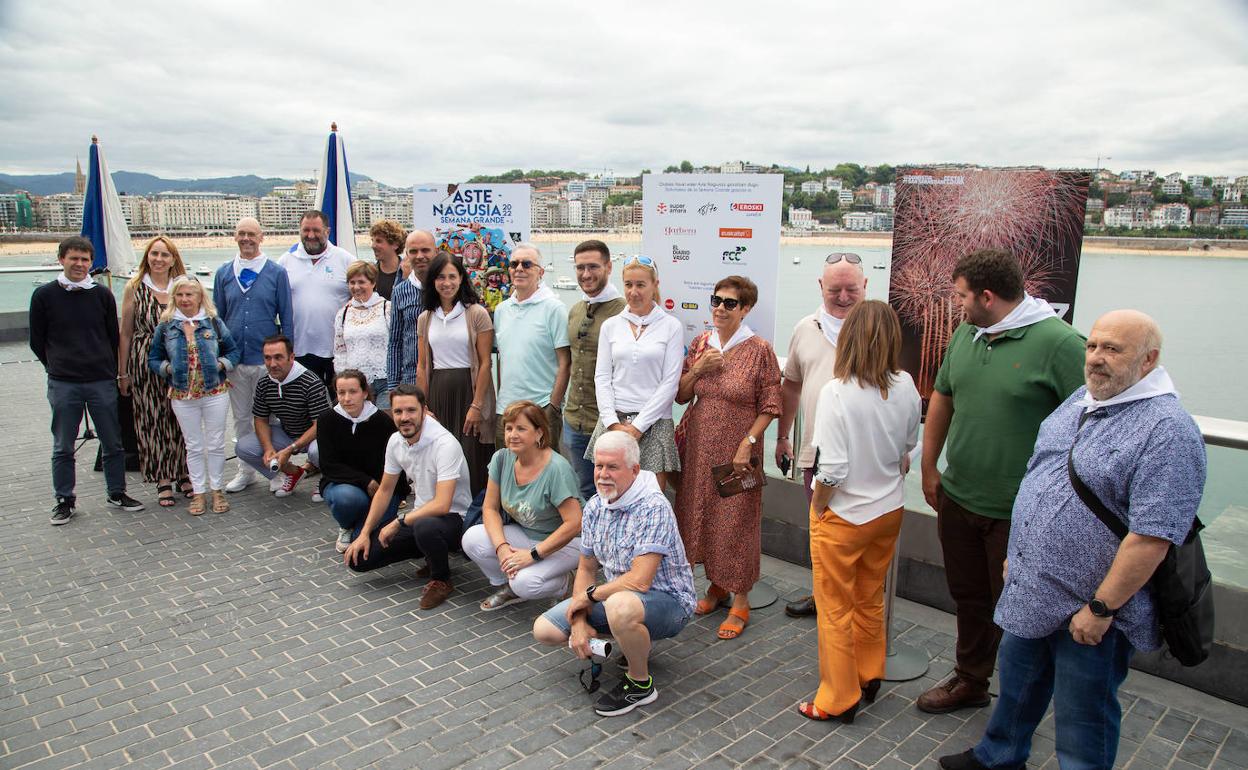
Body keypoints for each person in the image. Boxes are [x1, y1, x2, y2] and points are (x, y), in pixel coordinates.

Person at [938, 310, 1204, 770]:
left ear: (1148, 359)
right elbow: (1039, 471)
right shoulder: (1083, 399)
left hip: (1092, 609)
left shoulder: (1168, 431)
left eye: (1112, 349)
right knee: (1018, 686)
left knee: (1084, 716)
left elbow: (1151, 538)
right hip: (1034, 590)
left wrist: (1101, 608)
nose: (1096, 358)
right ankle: (998, 757)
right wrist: (1020, 556)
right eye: (1093, 346)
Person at [918, 248, 1086, 714]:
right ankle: (971, 678)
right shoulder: (967, 334)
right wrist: (930, 467)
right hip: (959, 497)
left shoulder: (1061, 344)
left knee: (1019, 611)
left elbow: (1092, 427)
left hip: (1020, 513)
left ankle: (1018, 704)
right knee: (970, 597)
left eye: (961, 296)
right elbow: (943, 397)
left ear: (987, 297)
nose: (957, 304)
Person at [796, 301, 920, 724]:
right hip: (889, 509)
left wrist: (818, 507)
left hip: (845, 515)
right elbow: (907, 448)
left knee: (834, 607)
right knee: (869, 597)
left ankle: (838, 697)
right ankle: (869, 673)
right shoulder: (906, 385)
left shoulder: (837, 392)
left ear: (849, 339)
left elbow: (831, 470)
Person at [532, 432, 696, 718]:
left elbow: (640, 580)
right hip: (620, 598)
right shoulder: (595, 506)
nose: (603, 474)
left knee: (620, 606)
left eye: (613, 467)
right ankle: (631, 640)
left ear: (634, 470)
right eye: (599, 466)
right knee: (545, 630)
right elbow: (586, 568)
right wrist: (579, 621)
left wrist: (588, 597)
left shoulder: (653, 507)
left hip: (669, 603)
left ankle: (640, 684)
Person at [674, 275, 781, 640]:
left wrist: (748, 443)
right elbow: (681, 396)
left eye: (730, 303)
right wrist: (698, 369)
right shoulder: (701, 343)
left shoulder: (760, 349)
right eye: (716, 300)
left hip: (739, 453)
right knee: (701, 516)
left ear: (746, 308)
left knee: (737, 522)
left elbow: (771, 404)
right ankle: (717, 586)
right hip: (699, 449)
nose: (720, 308)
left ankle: (742, 599)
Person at [777, 253, 868, 618]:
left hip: (867, 457)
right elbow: (791, 385)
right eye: (835, 290)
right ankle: (822, 596)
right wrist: (782, 436)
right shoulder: (805, 328)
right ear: (820, 286)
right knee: (822, 532)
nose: (843, 297)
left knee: (861, 534)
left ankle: (856, 602)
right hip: (815, 455)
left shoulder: (880, 329)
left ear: (865, 286)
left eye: (851, 289)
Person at [30, 236, 145, 524]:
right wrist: (56, 365)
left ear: (91, 262)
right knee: (63, 445)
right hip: (64, 382)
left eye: (84, 259)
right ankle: (64, 499)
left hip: (100, 380)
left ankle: (116, 491)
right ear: (62, 260)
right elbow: (37, 340)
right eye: (74, 258)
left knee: (112, 442)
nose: (79, 264)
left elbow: (113, 336)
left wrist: (115, 372)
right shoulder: (44, 296)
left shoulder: (101, 295)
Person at [342, 384, 472, 610]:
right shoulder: (395, 441)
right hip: (419, 518)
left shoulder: (445, 444)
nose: (404, 417)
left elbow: (442, 504)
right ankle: (430, 552)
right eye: (398, 411)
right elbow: (385, 490)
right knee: (359, 560)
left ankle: (441, 579)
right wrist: (363, 533)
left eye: (411, 410)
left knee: (425, 526)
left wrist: (398, 522)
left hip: (455, 520)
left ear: (424, 410)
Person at [462, 401, 583, 610]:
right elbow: (490, 508)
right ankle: (511, 585)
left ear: (539, 433)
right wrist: (502, 548)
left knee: (526, 584)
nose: (513, 435)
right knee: (472, 539)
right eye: (509, 428)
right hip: (527, 534)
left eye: (521, 428)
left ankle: (565, 584)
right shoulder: (501, 459)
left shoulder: (556, 469)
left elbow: (574, 523)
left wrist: (533, 555)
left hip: (568, 542)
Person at [587, 255, 683, 490]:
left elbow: (670, 383)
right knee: (610, 494)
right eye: (628, 284)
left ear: (655, 285)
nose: (633, 292)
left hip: (654, 425)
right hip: (614, 422)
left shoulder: (671, 326)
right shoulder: (611, 326)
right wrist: (612, 423)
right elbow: (602, 377)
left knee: (651, 498)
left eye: (641, 285)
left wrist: (637, 427)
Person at [213, 217, 294, 493]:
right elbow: (217, 318)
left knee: (270, 418)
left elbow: (287, 315)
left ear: (261, 238)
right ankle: (246, 470)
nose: (246, 239)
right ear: (235, 237)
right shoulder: (224, 273)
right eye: (241, 234)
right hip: (236, 360)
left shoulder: (276, 273)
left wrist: (287, 356)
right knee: (241, 418)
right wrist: (219, 356)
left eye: (251, 234)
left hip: (266, 361)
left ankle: (275, 470)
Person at [148, 276, 241, 515]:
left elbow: (233, 350)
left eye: (189, 294)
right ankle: (199, 492)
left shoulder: (213, 322)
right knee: (194, 446)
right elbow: (154, 358)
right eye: (180, 295)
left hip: (214, 392)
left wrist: (221, 364)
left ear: (200, 297)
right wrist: (167, 369)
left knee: (216, 444)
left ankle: (217, 490)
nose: (185, 299)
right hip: (182, 394)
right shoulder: (166, 325)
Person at [118, 236, 190, 507]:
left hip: (178, 361)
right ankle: (163, 478)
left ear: (173, 259)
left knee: (180, 418)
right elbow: (125, 332)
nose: (159, 259)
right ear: (147, 257)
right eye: (154, 254)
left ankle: (184, 473)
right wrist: (122, 372)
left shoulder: (182, 286)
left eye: (164, 254)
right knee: (151, 419)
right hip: (144, 360)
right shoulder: (135, 287)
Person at [415, 252, 495, 494]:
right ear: (433, 281)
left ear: (461, 278)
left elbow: (485, 363)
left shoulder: (476, 313)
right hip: (438, 392)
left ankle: (475, 509)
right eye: (441, 277)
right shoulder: (425, 318)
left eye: (452, 276)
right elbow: (422, 366)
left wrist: (477, 405)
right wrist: (422, 406)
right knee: (440, 455)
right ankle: (444, 508)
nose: (447, 283)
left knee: (471, 456)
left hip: (468, 391)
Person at [317, 369, 409, 553]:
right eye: (341, 393)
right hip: (344, 485)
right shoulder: (327, 420)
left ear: (365, 393)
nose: (346, 398)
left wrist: (395, 493)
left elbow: (395, 463)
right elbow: (328, 465)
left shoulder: (382, 421)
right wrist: (366, 482)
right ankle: (346, 525)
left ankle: (365, 523)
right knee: (347, 499)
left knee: (365, 542)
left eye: (353, 392)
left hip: (382, 489)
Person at [562, 240, 625, 499]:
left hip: (607, 422)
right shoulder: (576, 310)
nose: (586, 274)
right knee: (584, 491)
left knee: (614, 492)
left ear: (609, 267)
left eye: (593, 267)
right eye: (580, 268)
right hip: (573, 420)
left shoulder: (623, 312)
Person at [492, 243, 570, 450]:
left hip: (541, 409)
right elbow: (502, 359)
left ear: (540, 272)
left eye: (527, 264)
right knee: (506, 467)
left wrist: (553, 406)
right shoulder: (501, 310)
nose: (519, 269)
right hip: (505, 411)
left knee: (544, 467)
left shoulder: (554, 309)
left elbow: (565, 362)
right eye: (514, 264)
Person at [236, 335, 331, 498]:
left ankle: (328, 479)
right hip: (289, 432)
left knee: (317, 452)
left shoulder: (311, 382)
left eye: (278, 357)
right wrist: (268, 449)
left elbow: (321, 425)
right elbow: (260, 419)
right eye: (267, 358)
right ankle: (293, 472)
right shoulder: (264, 383)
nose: (272, 364)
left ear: (291, 357)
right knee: (244, 447)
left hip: (318, 435)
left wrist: (290, 449)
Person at [279, 210, 352, 398]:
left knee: (339, 403)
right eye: (306, 230)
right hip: (299, 349)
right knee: (305, 403)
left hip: (338, 350)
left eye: (316, 230)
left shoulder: (345, 260)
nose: (310, 235)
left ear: (327, 231)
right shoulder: (285, 261)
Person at [333, 261, 392, 409]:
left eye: (361, 282)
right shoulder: (343, 314)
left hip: (386, 380)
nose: (356, 287)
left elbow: (398, 343)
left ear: (373, 283)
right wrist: (343, 382)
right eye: (352, 282)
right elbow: (340, 351)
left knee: (384, 420)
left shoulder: (387, 308)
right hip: (356, 385)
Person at [387, 229, 435, 391]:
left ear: (435, 251)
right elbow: (395, 342)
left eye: (425, 250)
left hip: (443, 376)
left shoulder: (447, 288)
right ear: (407, 254)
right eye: (413, 251)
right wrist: (393, 386)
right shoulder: (400, 291)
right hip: (411, 378)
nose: (420, 256)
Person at [368, 219, 406, 300]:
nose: (373, 246)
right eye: (372, 241)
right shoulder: (369, 273)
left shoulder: (409, 274)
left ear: (395, 244)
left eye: (378, 241)